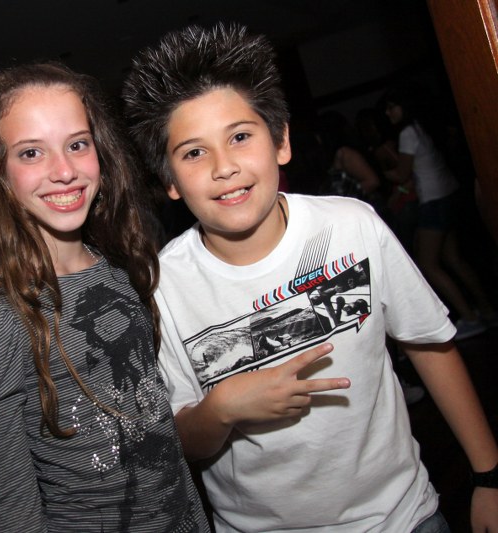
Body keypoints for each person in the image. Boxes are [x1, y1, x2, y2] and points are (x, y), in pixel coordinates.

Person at [122, 23, 498, 532]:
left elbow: (428, 343)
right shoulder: (164, 287)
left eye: (240, 137)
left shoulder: (350, 226)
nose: (223, 166)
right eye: (193, 152)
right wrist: (223, 407)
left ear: (281, 142)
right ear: (169, 181)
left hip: (404, 517)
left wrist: (488, 475)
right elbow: (183, 440)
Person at [0, 62, 210, 532]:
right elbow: (12, 507)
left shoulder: (122, 269)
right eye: (31, 153)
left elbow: (170, 455)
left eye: (77, 144)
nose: (64, 171)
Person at [384, 85, 495, 340]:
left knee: (428, 264)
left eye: (391, 107)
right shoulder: (421, 127)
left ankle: (470, 318)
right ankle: (487, 310)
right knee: (453, 259)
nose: (388, 113)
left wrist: (382, 173)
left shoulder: (407, 133)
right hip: (447, 195)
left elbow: (401, 174)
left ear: (404, 106)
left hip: (434, 201)